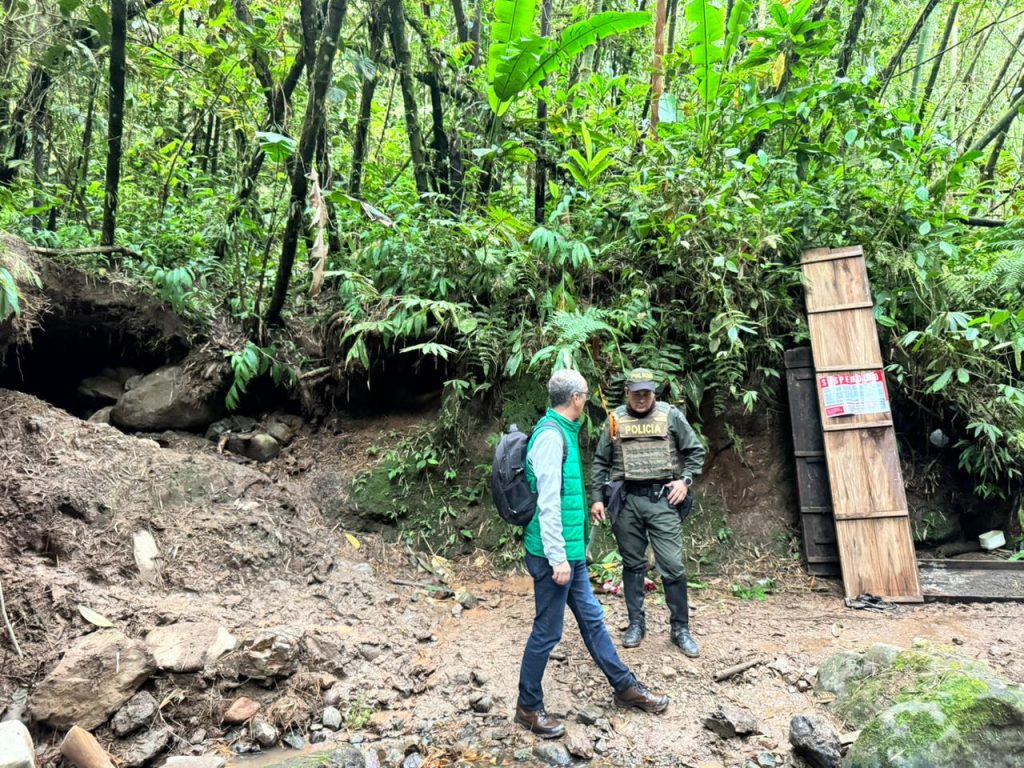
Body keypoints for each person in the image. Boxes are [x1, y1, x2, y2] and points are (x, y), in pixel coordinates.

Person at [516, 369, 669, 739]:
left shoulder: (563, 432)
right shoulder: (552, 438)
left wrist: (574, 552)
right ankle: (527, 707)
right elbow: (549, 505)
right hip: (555, 557)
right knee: (547, 632)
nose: (587, 399)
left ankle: (624, 687)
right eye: (585, 394)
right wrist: (558, 559)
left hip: (570, 554)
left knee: (593, 620)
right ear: (576, 399)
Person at [590, 367, 706, 657]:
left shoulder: (671, 416)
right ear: (627, 392)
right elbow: (600, 462)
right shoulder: (615, 419)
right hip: (625, 500)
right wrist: (597, 499)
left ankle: (680, 629)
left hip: (662, 500)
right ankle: (636, 624)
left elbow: (695, 452)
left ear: (654, 392)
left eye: (647, 392)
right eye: (636, 392)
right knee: (632, 564)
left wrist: (685, 480)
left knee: (673, 565)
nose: (641, 398)